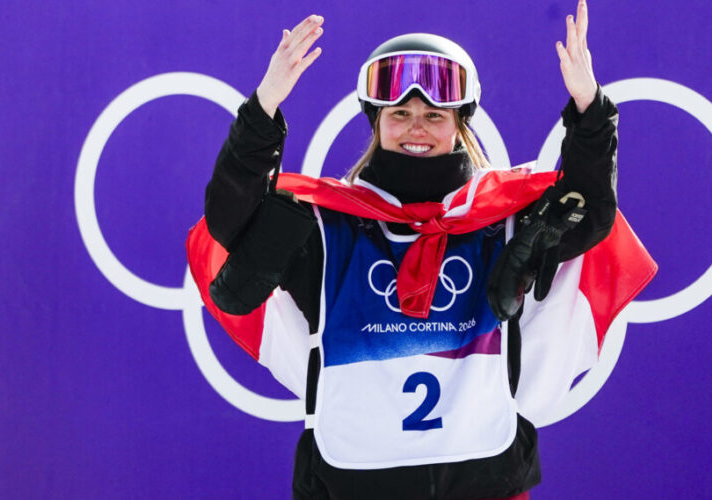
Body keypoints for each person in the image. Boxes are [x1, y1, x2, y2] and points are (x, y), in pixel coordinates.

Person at [187, 1, 655, 498]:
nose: (416, 128)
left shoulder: (501, 217)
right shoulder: (325, 223)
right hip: (352, 483)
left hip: (482, 481)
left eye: (434, 115)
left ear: (460, 123)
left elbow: (591, 210)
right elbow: (229, 221)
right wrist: (262, 109)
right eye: (401, 114)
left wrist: (590, 110)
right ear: (376, 121)